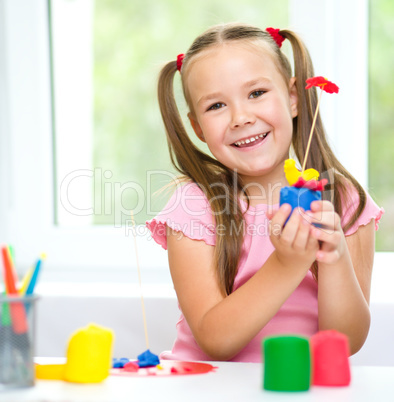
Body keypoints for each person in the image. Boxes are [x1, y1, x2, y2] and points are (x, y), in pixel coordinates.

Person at [146, 23, 384, 362]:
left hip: (299, 387)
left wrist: (336, 257)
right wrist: (288, 264)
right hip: (207, 388)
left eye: (256, 93)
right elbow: (216, 340)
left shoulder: (346, 202)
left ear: (293, 98)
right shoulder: (195, 206)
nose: (241, 117)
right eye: (216, 106)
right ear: (197, 127)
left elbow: (345, 342)